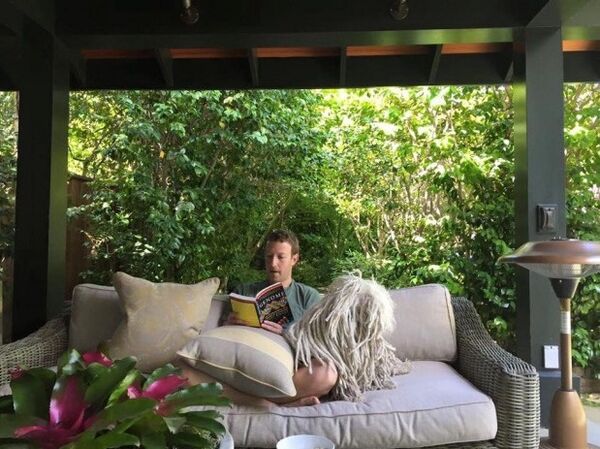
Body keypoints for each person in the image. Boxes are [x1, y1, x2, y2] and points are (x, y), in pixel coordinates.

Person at [177, 229, 338, 407]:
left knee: (328, 373)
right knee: (180, 371)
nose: (273, 263)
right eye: (269, 257)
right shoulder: (243, 291)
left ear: (294, 259)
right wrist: (228, 324)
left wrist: (285, 332)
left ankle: (254, 401)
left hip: (287, 370)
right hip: (240, 366)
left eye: (280, 257)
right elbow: (219, 333)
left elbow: (317, 341)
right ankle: (271, 404)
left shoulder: (308, 296)